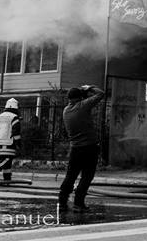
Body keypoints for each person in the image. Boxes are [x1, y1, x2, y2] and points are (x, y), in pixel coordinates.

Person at [58, 84, 105, 212]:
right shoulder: (83, 106)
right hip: (89, 147)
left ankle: (62, 201)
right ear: (80, 97)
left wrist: (82, 94)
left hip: (75, 149)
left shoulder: (66, 111)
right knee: (87, 176)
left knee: (71, 175)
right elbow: (101, 93)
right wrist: (88, 88)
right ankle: (79, 203)